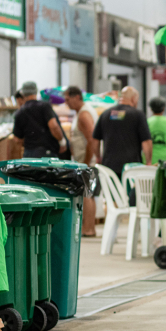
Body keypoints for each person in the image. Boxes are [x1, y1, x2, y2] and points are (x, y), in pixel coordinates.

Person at [91, 86, 152, 178]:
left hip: (108, 167)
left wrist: (98, 157)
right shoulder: (138, 115)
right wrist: (148, 162)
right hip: (131, 169)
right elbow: (146, 142)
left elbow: (95, 140)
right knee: (128, 192)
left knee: (111, 191)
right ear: (134, 99)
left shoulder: (106, 114)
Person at [63, 85, 98, 237]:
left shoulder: (84, 115)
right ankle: (88, 227)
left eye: (68, 99)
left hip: (86, 162)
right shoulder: (81, 113)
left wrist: (86, 162)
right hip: (84, 161)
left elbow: (91, 140)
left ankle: (89, 229)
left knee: (87, 195)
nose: (66, 103)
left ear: (77, 97)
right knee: (86, 194)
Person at [12, 81, 66, 158]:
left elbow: (17, 139)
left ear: (23, 93)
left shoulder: (20, 112)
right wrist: (61, 141)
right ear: (36, 91)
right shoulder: (44, 106)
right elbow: (53, 126)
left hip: (29, 153)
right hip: (46, 152)